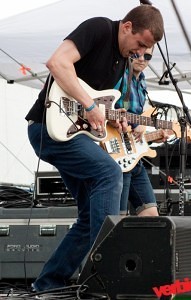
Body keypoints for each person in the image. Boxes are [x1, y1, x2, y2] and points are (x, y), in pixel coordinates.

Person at [25, 4, 164, 292]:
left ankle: (48, 284)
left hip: (78, 134)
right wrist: (89, 106)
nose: (139, 53)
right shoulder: (98, 28)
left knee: (90, 216)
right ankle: (105, 274)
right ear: (127, 27)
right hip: (48, 128)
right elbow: (58, 63)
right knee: (109, 173)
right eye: (139, 44)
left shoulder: (123, 61)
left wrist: (118, 123)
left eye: (145, 50)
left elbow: (102, 104)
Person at [112, 47, 165, 216]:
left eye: (147, 56)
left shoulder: (142, 81)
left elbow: (136, 128)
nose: (142, 59)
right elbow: (103, 109)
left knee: (152, 217)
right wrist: (133, 122)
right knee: (116, 220)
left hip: (134, 156)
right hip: (117, 155)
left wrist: (153, 137)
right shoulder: (118, 75)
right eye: (137, 54)